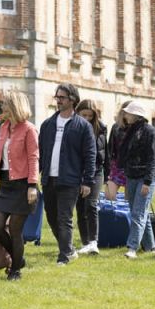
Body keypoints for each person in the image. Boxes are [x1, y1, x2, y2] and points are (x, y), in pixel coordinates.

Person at [0, 91, 39, 281]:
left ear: (14, 106)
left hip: (23, 185)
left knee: (15, 229)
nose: (2, 107)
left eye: (5, 104)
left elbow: (33, 158)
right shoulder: (4, 127)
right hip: (5, 185)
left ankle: (15, 270)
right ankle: (18, 258)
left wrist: (32, 185)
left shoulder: (29, 129)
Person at [38, 83, 97, 265]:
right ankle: (69, 249)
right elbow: (40, 153)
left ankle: (63, 256)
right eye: (57, 97)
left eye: (62, 97)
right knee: (52, 217)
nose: (58, 101)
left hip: (70, 180)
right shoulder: (47, 124)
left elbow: (90, 155)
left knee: (64, 217)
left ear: (73, 100)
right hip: (49, 178)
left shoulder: (83, 126)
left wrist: (87, 181)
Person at [119, 100, 155, 259]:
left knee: (138, 213)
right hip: (132, 176)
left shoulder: (150, 132)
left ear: (136, 115)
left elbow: (153, 159)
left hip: (145, 178)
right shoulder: (129, 131)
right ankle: (151, 248)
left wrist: (148, 182)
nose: (125, 115)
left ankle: (132, 248)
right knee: (141, 213)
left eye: (128, 112)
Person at [74, 99, 107, 256]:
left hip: (96, 171)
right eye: (83, 115)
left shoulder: (101, 129)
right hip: (77, 172)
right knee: (80, 207)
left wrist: (107, 177)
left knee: (91, 205)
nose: (86, 118)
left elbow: (105, 152)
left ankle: (93, 242)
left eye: (90, 116)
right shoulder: (73, 127)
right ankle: (85, 242)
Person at [106, 102, 129, 201]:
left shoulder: (139, 129)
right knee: (109, 196)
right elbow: (110, 147)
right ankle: (113, 214)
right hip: (117, 165)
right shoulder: (116, 127)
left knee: (129, 200)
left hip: (131, 167)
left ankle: (128, 216)